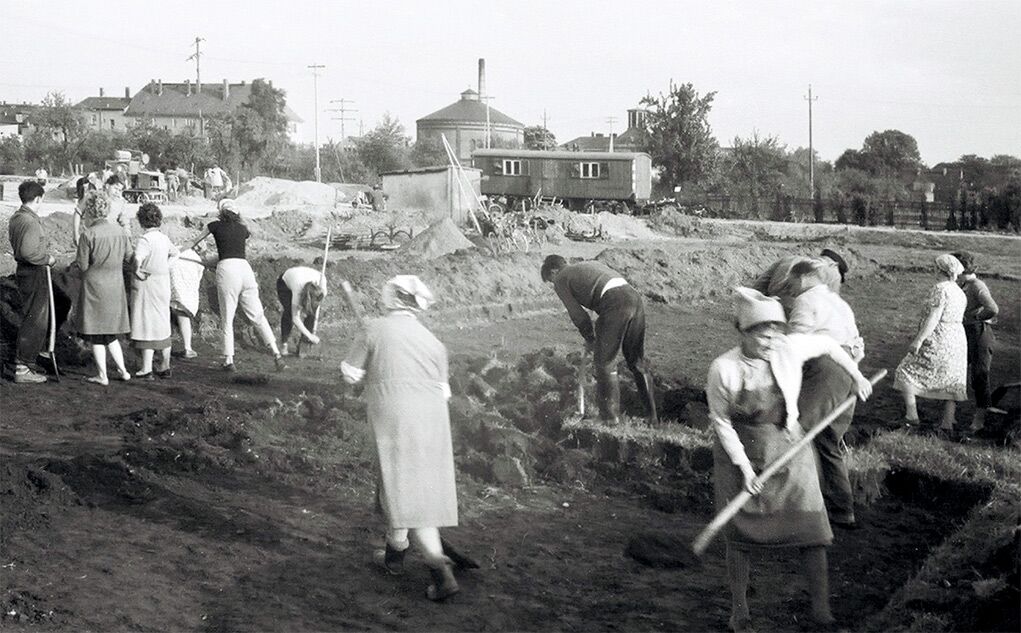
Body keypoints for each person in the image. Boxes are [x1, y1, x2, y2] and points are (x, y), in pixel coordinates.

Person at [707, 287, 873, 632]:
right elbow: (721, 421)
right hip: (741, 453)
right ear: (742, 332)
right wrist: (745, 467)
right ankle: (740, 613)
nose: (768, 343)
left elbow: (829, 345)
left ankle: (821, 612)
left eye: (773, 334)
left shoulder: (788, 348)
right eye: (759, 336)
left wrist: (856, 376)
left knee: (813, 530)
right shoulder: (723, 369)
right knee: (739, 537)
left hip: (790, 448)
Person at [341, 275, 461, 602]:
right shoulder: (434, 342)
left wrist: (364, 375)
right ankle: (395, 555)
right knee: (401, 483)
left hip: (396, 417)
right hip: (433, 420)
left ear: (393, 296)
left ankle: (440, 569)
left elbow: (349, 374)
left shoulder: (374, 329)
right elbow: (445, 392)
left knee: (404, 487)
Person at [787, 258, 865, 528]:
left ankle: (793, 506)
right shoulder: (840, 303)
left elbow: (794, 346)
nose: (792, 288)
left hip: (825, 370)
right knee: (829, 442)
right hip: (848, 370)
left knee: (795, 434)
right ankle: (842, 510)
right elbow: (858, 343)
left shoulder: (806, 300)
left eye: (793, 282)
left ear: (805, 278)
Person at [540, 255, 657, 424]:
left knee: (604, 362)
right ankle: (652, 417)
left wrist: (589, 337)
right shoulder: (589, 265)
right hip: (634, 297)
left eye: (551, 280)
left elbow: (578, 315)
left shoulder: (561, 279)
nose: (553, 284)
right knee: (636, 360)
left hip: (615, 303)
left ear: (553, 271)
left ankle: (610, 419)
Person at [186, 199, 285, 372]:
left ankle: (229, 360)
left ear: (220, 212)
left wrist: (177, 253)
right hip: (244, 269)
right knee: (258, 316)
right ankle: (276, 354)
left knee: (227, 318)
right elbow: (234, 249)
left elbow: (194, 242)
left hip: (227, 270)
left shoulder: (214, 226)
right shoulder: (242, 229)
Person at [893, 254, 968, 433]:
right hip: (957, 337)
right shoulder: (959, 291)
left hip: (940, 336)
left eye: (934, 267)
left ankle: (911, 416)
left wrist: (918, 340)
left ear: (940, 269)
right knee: (952, 379)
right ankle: (947, 423)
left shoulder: (940, 289)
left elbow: (934, 317)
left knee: (905, 371)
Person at [6, 181, 62, 383]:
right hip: (34, 272)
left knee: (34, 315)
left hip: (25, 272)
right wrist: (48, 259)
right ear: (38, 198)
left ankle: (28, 361)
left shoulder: (17, 217)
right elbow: (28, 252)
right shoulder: (29, 222)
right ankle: (22, 367)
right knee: (35, 318)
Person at [73, 191, 132, 385]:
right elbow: (129, 256)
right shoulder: (120, 232)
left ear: (90, 211)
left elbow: (82, 266)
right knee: (110, 333)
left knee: (97, 334)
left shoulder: (88, 234)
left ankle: (102, 375)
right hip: (115, 286)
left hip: (94, 288)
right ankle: (123, 371)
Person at [951, 251, 999, 435]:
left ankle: (979, 421)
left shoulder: (977, 285)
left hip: (979, 334)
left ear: (961, 268)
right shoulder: (963, 284)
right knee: (956, 372)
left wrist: (977, 317)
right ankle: (951, 416)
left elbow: (993, 308)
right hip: (965, 333)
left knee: (979, 376)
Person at [130, 203, 179, 379]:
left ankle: (146, 367)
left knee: (146, 324)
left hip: (147, 284)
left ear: (142, 221)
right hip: (162, 283)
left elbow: (137, 258)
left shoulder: (145, 240)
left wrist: (136, 270)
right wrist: (166, 267)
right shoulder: (163, 238)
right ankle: (165, 365)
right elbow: (176, 254)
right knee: (162, 323)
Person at [276, 265, 327, 357]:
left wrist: (309, 334)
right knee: (289, 313)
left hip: (302, 276)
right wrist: (311, 336)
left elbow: (314, 306)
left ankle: (303, 345)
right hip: (285, 282)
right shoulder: (298, 290)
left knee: (311, 312)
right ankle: (284, 344)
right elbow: (296, 318)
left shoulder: (322, 288)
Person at [169, 243, 209, 359]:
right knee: (183, 315)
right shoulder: (196, 258)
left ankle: (164, 347)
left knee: (174, 313)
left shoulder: (177, 250)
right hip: (185, 290)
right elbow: (198, 276)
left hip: (172, 286)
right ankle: (188, 348)